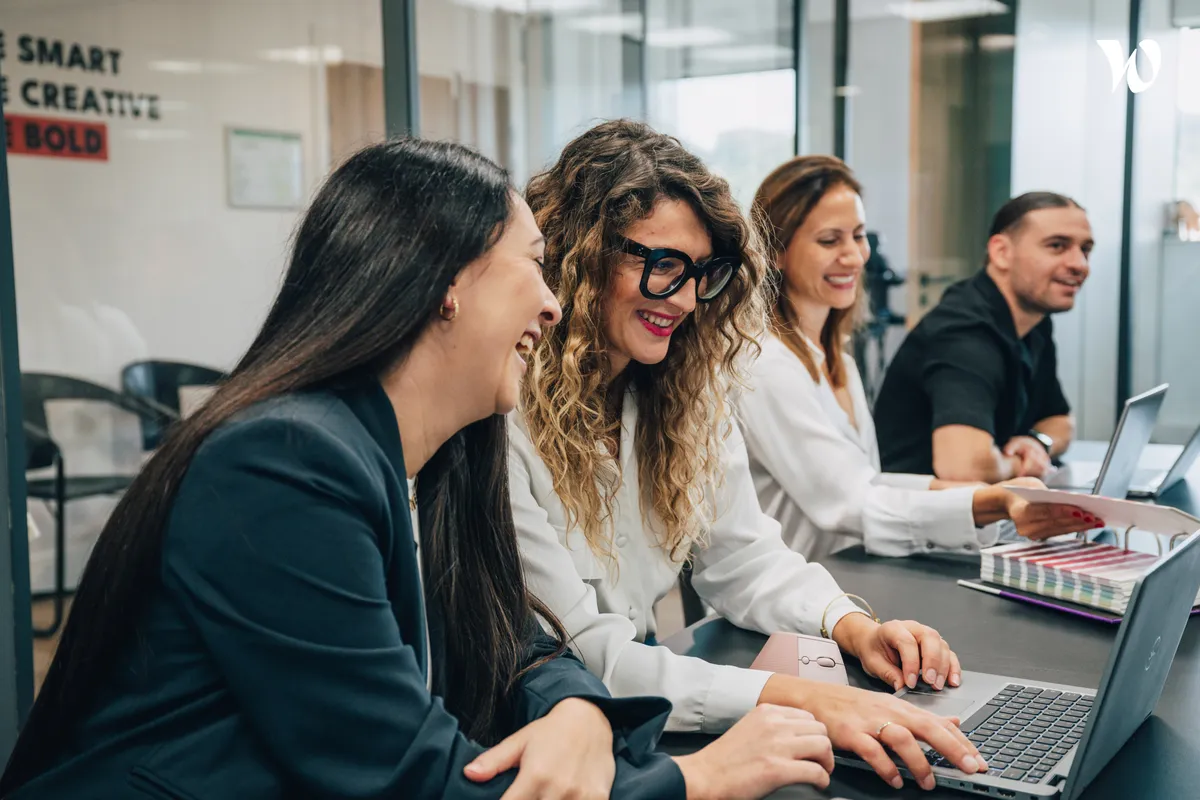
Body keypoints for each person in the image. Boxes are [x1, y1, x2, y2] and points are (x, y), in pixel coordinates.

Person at [0, 139, 830, 800]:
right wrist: (696, 779)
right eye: (533, 264)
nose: (552, 302)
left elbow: (518, 642)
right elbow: (408, 777)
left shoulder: (446, 448)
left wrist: (578, 709)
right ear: (446, 285)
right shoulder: (282, 465)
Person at [510, 119, 990, 794]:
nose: (684, 299)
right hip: (551, 746)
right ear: (579, 257)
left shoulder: (682, 392)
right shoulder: (505, 416)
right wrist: (807, 699)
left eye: (699, 273)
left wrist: (853, 627)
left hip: (648, 713)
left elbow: (744, 558)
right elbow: (588, 654)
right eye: (662, 264)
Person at [739, 156, 1099, 562]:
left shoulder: (837, 358)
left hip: (848, 568)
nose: (855, 256)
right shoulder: (766, 364)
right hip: (801, 582)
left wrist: (997, 495)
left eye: (858, 236)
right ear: (775, 252)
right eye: (829, 241)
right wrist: (994, 501)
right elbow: (851, 503)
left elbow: (870, 482)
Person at [874, 192, 1091, 483]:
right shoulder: (963, 333)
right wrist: (1023, 464)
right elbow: (964, 468)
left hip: (984, 505)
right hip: (922, 509)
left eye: (1085, 249)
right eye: (1057, 246)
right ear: (1001, 252)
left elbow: (1061, 421)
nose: (1079, 264)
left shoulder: (1033, 321)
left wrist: (1037, 443)